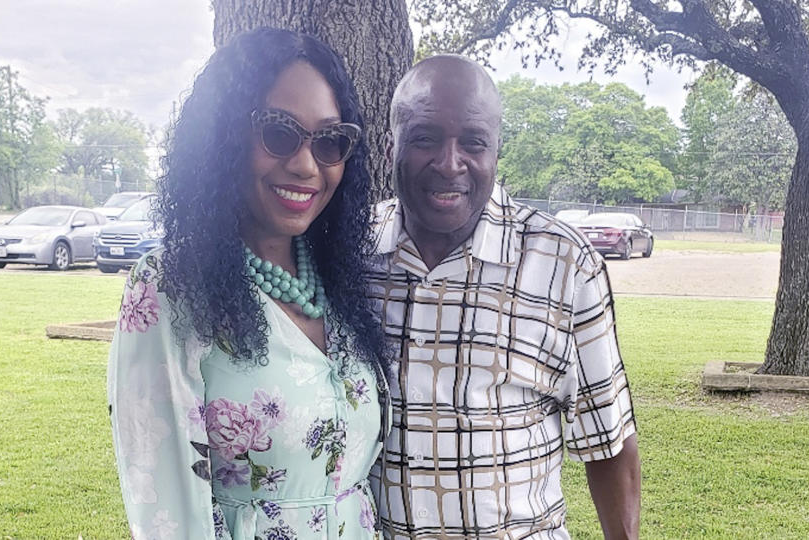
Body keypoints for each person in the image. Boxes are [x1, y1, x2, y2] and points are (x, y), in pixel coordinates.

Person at [107, 28, 392, 540]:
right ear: (224, 138)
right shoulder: (171, 290)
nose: (306, 165)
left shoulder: (340, 285)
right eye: (279, 132)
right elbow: (166, 512)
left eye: (330, 142)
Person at [366, 55, 641, 539]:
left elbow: (610, 446)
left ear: (496, 150)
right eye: (425, 138)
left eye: (473, 142)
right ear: (392, 146)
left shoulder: (563, 262)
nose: (450, 163)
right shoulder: (353, 254)